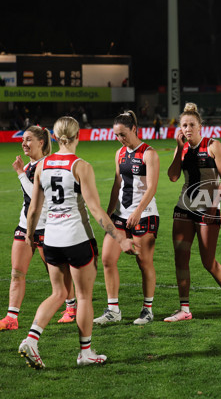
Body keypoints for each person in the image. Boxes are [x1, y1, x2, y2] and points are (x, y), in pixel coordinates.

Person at [18, 116, 137, 369]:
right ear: (78, 136)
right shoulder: (81, 166)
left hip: (51, 239)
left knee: (58, 293)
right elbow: (96, 210)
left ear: (55, 137)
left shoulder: (43, 165)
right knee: (83, 297)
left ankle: (31, 338)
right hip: (76, 239)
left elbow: (34, 209)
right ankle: (85, 352)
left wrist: (29, 235)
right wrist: (120, 238)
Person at [0, 126, 77, 331]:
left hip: (48, 228)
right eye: (23, 140)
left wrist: (20, 173)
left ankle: (71, 309)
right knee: (17, 272)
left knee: (56, 274)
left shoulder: (47, 166)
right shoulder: (30, 166)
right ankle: (11, 318)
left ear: (41, 143)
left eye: (28, 140)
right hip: (25, 226)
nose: (24, 143)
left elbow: (40, 198)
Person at [165, 103, 221, 321]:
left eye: (191, 125)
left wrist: (214, 207)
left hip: (208, 207)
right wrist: (178, 149)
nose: (187, 129)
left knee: (208, 261)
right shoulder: (183, 148)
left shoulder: (213, 145)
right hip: (184, 207)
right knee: (181, 259)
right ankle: (185, 309)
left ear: (200, 126)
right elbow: (173, 176)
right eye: (184, 125)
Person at [93, 111, 160, 325]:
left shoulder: (149, 154)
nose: (120, 138)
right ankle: (113, 310)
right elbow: (117, 184)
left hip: (145, 214)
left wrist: (138, 211)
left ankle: (147, 310)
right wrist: (110, 212)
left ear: (133, 129)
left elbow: (152, 187)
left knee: (144, 262)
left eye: (122, 134)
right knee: (107, 259)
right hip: (121, 215)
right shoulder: (119, 153)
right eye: (116, 135)